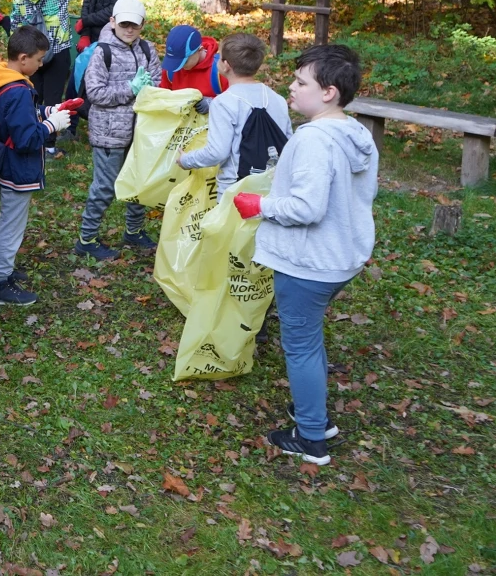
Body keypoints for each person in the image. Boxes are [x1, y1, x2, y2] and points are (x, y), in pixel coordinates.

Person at [233, 45, 377, 466]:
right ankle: (314, 414)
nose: (291, 88)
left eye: (301, 82)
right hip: (342, 256)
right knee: (308, 337)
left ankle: (312, 436)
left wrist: (260, 206)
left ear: (329, 92)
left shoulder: (314, 140)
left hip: (310, 262)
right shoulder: (355, 133)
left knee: (299, 345)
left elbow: (307, 208)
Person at [0, 27, 80, 306]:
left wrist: (48, 111)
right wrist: (51, 126)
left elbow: (18, 117)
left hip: (7, 165)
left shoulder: (4, 78)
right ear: (23, 58)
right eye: (38, 60)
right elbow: (25, 138)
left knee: (6, 219)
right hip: (18, 169)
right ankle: (1, 282)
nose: (41, 65)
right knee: (12, 225)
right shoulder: (18, 91)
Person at [74, 0, 162, 261]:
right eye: (124, 24)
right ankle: (86, 239)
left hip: (141, 131)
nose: (129, 29)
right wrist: (130, 89)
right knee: (105, 187)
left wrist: (149, 89)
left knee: (139, 183)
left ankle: (133, 231)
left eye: (134, 24)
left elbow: (157, 82)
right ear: (113, 22)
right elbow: (95, 93)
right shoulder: (102, 52)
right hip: (109, 133)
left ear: (142, 24)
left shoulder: (147, 49)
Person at [11, 0, 103, 157]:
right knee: (53, 97)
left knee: (33, 95)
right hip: (57, 47)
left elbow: (15, 19)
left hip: (30, 49)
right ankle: (49, 145)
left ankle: (30, 137)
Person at [177, 33, 292, 197]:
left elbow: (217, 152)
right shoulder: (278, 99)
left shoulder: (223, 102)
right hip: (272, 187)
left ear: (226, 65)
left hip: (235, 190)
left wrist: (186, 160)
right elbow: (288, 144)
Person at [160, 24, 228, 100]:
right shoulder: (171, 69)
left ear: (200, 50)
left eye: (184, 62)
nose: (179, 66)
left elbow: (233, 101)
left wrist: (210, 102)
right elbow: (164, 97)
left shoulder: (220, 71)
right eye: (175, 61)